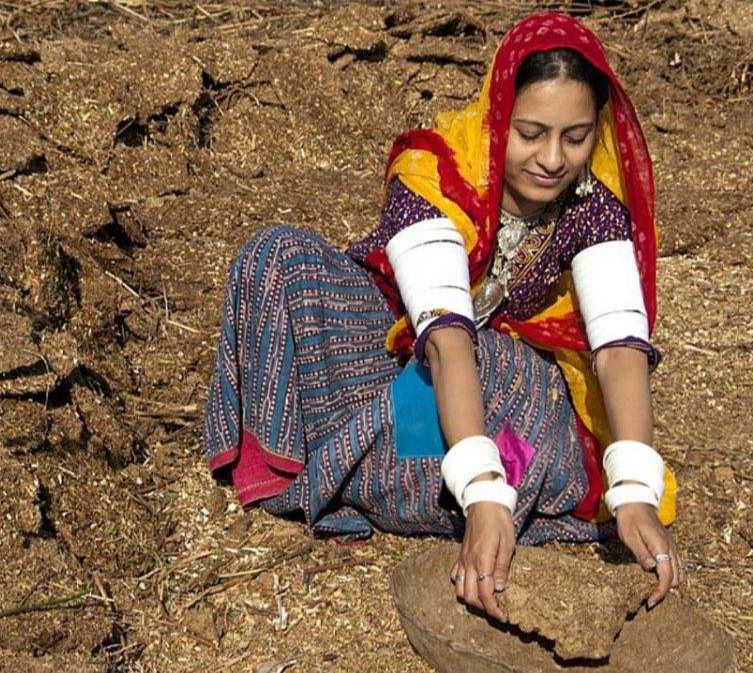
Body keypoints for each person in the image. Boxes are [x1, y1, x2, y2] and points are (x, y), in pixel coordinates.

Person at [204, 12, 682, 622]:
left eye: (576, 136)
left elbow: (617, 346)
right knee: (279, 255)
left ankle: (386, 467)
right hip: (402, 350)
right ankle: (354, 463)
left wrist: (634, 489)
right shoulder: (435, 174)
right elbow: (445, 337)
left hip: (497, 387)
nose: (553, 158)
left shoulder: (593, 205)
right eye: (531, 133)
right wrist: (484, 492)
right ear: (497, 116)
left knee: (508, 372)